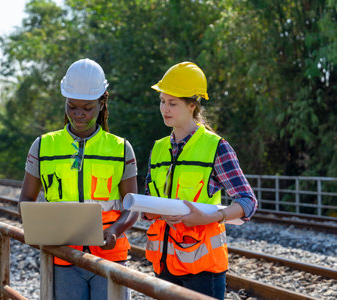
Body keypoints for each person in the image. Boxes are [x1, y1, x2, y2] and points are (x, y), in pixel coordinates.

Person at [19, 58, 139, 300]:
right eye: (72, 106)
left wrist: (115, 231)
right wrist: (37, 229)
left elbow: (132, 206)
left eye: (87, 108)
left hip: (109, 258)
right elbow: (26, 199)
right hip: (62, 257)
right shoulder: (43, 146)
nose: (78, 114)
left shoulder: (121, 148)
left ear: (102, 102)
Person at [142, 62, 258, 300]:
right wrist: (157, 212)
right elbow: (148, 204)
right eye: (162, 101)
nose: (165, 108)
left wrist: (211, 217)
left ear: (192, 105)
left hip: (203, 270)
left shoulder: (216, 147)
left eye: (173, 103)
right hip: (164, 264)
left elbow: (248, 202)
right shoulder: (158, 149)